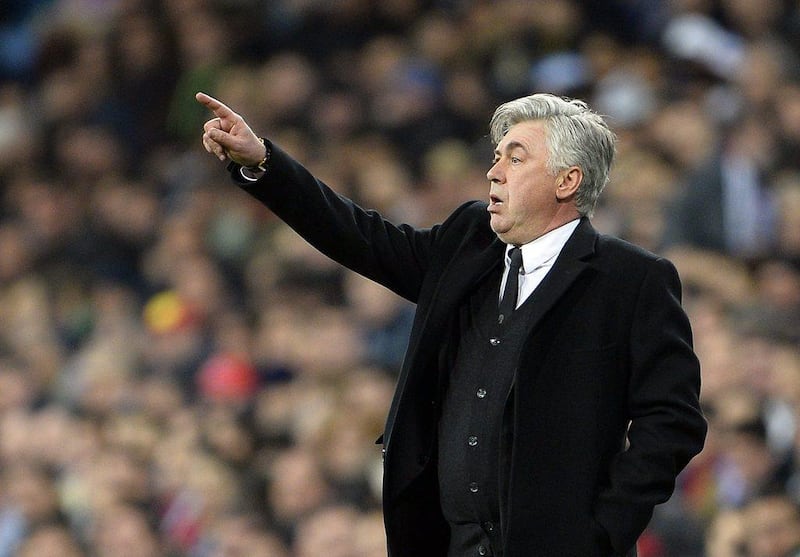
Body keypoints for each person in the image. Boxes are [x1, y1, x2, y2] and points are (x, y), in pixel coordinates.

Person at [196, 90, 707, 557]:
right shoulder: (469, 241)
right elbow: (361, 238)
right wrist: (264, 163)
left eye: (516, 157)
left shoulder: (632, 279)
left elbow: (673, 421)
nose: (494, 171)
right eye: (496, 156)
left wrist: (603, 530)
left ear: (567, 180)